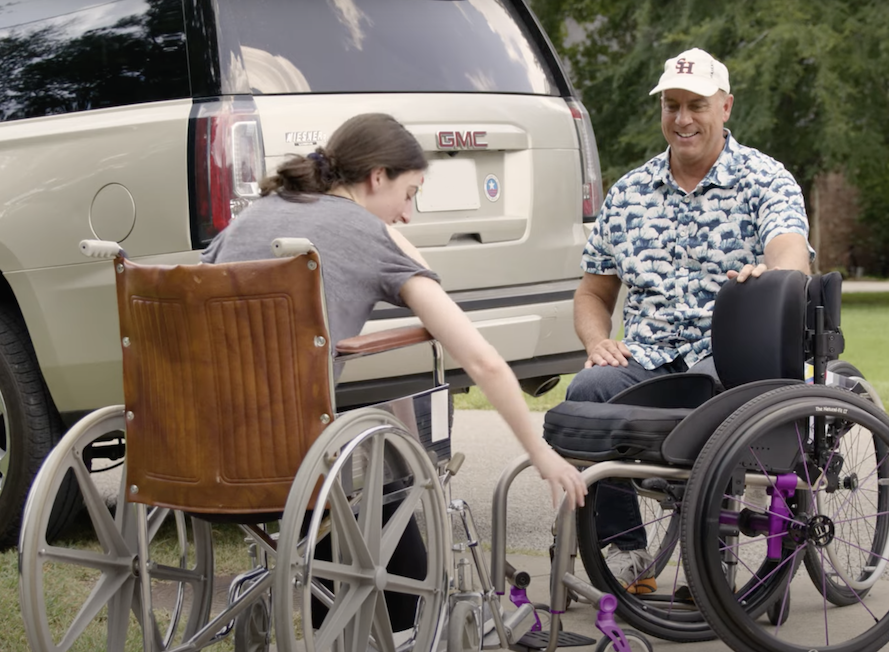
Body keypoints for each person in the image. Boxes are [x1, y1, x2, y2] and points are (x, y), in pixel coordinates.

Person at [201, 112, 587, 626]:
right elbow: (480, 359)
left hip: (198, 451)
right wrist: (541, 455)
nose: (406, 214)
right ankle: (404, 624)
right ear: (377, 176)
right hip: (287, 462)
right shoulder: (365, 232)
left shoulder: (254, 215)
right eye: (409, 194)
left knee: (353, 465)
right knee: (387, 469)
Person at [569, 48, 813, 594]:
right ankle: (628, 551)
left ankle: (711, 560)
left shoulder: (764, 179)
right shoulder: (629, 193)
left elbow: (792, 254)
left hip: (725, 359)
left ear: (725, 107)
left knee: (713, 400)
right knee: (587, 392)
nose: (682, 119)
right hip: (648, 358)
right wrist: (596, 340)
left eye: (696, 105)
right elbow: (592, 291)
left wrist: (772, 272)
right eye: (671, 105)